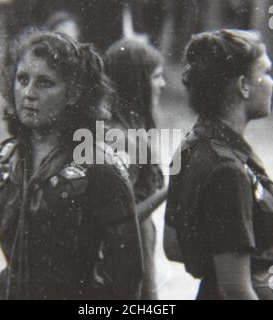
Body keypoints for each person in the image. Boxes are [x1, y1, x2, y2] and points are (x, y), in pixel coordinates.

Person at [0, 31, 142, 300]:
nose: (28, 94)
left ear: (73, 93)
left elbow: (128, 276)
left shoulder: (99, 166)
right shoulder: (3, 159)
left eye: (45, 83)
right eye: (22, 80)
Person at [165, 30, 273, 300]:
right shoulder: (228, 168)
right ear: (243, 86)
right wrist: (253, 268)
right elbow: (236, 290)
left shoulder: (193, 145)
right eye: (265, 73)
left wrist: (261, 260)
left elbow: (174, 245)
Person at [103, 38, 167, 300]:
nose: (162, 84)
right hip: (124, 254)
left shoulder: (131, 130)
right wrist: (170, 191)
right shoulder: (117, 137)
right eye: (156, 76)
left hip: (138, 246)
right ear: (136, 83)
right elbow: (117, 219)